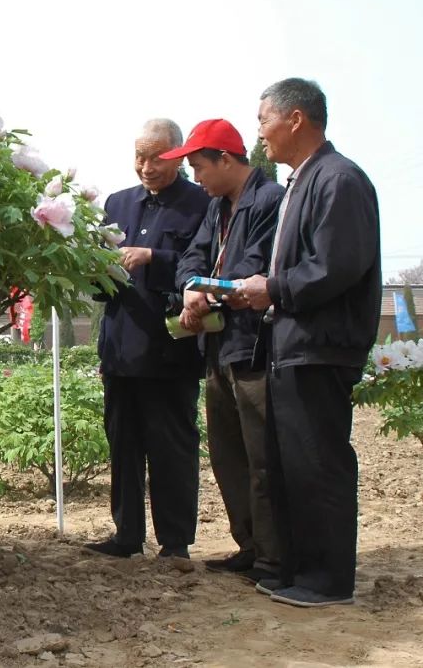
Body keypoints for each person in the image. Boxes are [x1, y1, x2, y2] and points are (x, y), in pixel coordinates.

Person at [234, 78, 380, 608]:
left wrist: (271, 288)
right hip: (292, 344)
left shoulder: (339, 180)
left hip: (321, 346)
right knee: (291, 462)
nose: (260, 132)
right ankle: (296, 569)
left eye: (262, 119)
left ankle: (327, 579)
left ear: (295, 119)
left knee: (318, 463)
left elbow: (334, 266)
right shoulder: (303, 181)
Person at [85, 119, 209, 560]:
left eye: (156, 157)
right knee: (123, 442)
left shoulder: (201, 204)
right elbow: (100, 278)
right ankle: (126, 536)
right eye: (139, 156)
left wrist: (153, 257)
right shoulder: (118, 204)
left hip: (170, 348)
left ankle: (175, 543)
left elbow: (205, 262)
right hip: (121, 346)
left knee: (171, 445)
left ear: (177, 155)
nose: (146, 166)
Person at [168, 119, 284, 582]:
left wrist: (204, 292)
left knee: (262, 457)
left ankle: (274, 557)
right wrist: (190, 289)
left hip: (254, 346)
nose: (196, 177)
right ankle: (249, 545)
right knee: (226, 454)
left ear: (227, 159)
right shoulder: (216, 208)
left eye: (199, 166)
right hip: (218, 345)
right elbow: (191, 259)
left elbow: (252, 268)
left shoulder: (269, 202)